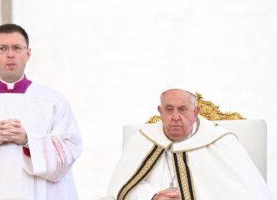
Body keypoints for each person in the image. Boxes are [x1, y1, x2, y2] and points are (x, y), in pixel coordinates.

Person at [0, 23, 82, 200]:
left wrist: (29, 141)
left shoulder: (53, 100)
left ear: (28, 54)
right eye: (2, 48)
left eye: (17, 48)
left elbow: (71, 147)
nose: (10, 54)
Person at [103, 83, 272, 200]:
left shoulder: (221, 142)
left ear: (195, 112)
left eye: (182, 109)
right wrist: (151, 197)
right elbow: (121, 188)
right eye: (169, 110)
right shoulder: (143, 140)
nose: (175, 117)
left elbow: (245, 192)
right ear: (160, 111)